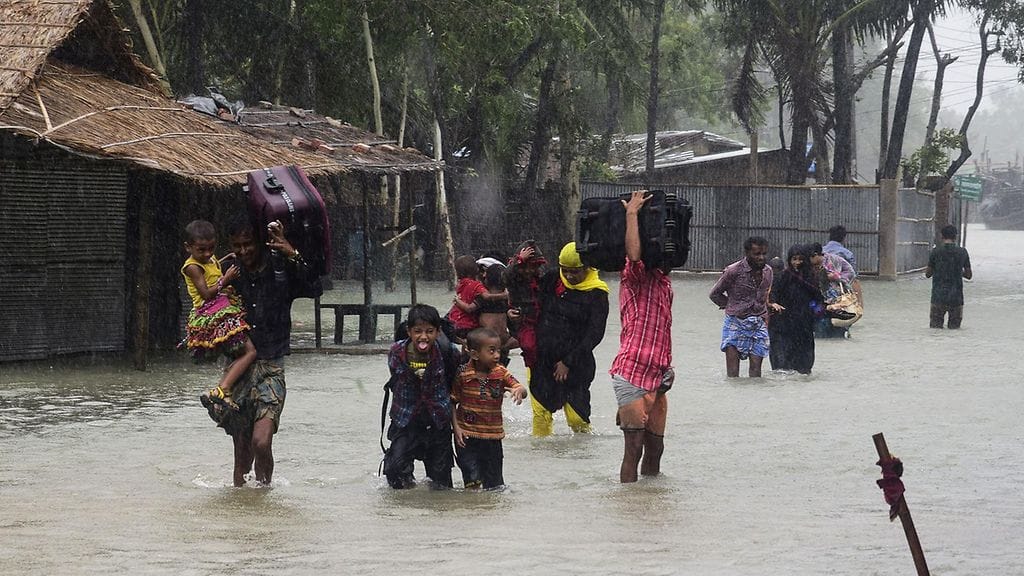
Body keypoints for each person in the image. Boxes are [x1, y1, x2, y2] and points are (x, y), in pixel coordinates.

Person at [206, 216, 322, 487]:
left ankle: (264, 493)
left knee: (262, 441)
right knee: (241, 457)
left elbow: (315, 287)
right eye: (238, 246)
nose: (244, 251)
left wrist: (290, 251)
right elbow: (205, 301)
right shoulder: (230, 271)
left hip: (271, 365)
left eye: (249, 244)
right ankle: (247, 513)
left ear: (259, 242)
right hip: (238, 368)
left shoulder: (280, 267)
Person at [610, 191, 674, 483]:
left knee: (656, 449)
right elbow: (634, 254)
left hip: (658, 376)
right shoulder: (634, 278)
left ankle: (649, 500)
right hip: (632, 373)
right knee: (632, 450)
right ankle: (629, 505)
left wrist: (668, 369)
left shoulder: (664, 283)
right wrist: (632, 213)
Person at [530, 242, 609, 436]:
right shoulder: (551, 280)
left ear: (587, 268)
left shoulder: (597, 293)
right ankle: (541, 458)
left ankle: (582, 457)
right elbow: (531, 303)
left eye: (575, 272)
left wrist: (568, 361)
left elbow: (595, 334)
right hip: (542, 360)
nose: (569, 276)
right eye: (565, 271)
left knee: (577, 419)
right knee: (541, 414)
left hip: (577, 363)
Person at [181, 219, 257, 411]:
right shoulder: (192, 267)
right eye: (201, 250)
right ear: (188, 247)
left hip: (222, 307)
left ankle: (225, 390)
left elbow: (211, 268)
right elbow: (206, 293)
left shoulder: (207, 259)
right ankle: (222, 389)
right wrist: (226, 279)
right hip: (213, 313)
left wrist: (223, 259)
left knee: (239, 353)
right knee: (250, 352)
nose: (207, 254)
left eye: (211, 248)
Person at [383, 304, 461, 489]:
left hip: (437, 422)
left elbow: (457, 382)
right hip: (405, 420)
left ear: (438, 332)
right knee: (394, 472)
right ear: (409, 331)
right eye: (418, 331)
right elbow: (395, 378)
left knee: (441, 484)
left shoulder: (447, 351)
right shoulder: (396, 352)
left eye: (429, 331)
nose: (423, 337)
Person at [451, 327, 527, 489]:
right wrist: (456, 428)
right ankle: (474, 510)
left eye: (498, 351)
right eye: (491, 351)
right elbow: (452, 402)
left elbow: (519, 387)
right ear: (474, 354)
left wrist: (519, 391)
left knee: (494, 485)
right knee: (472, 481)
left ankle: (491, 511)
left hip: (493, 437)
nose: (497, 356)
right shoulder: (463, 375)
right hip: (467, 436)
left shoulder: (501, 372)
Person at [709, 236, 777, 378]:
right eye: (757, 254)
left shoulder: (768, 271)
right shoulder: (733, 271)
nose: (761, 258)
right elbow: (715, 294)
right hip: (735, 323)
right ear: (747, 253)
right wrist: (731, 306)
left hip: (759, 323)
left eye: (764, 254)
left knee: (756, 374)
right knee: (733, 376)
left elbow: (765, 295)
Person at [768, 244, 828, 374]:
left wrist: (817, 310)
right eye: (794, 259)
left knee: (804, 369)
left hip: (803, 327)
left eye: (800, 259)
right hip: (783, 326)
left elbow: (817, 300)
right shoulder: (782, 277)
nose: (797, 263)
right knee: (782, 368)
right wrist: (773, 304)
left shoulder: (811, 278)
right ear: (789, 260)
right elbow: (773, 295)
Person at [504, 240, 546, 371]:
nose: (528, 271)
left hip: (541, 319)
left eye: (533, 267)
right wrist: (519, 260)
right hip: (524, 320)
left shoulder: (542, 279)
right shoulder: (515, 279)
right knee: (528, 346)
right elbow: (506, 276)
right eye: (525, 267)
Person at [926, 224, 972, 329]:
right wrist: (958, 271)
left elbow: (928, 274)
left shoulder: (936, 252)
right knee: (954, 331)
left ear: (942, 236)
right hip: (956, 298)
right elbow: (969, 275)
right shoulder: (962, 252)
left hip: (938, 297)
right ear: (955, 237)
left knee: (935, 331)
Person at [809, 242, 857, 339]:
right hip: (820, 305)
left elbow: (851, 273)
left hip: (838, 302)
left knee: (838, 331)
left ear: (816, 255)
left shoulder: (834, 260)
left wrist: (837, 277)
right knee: (821, 329)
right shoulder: (807, 266)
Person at [447, 255, 487, 342]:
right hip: (467, 326)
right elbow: (485, 295)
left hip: (455, 322)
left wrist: (457, 301)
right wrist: (504, 294)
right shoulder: (476, 285)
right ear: (476, 270)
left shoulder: (460, 284)